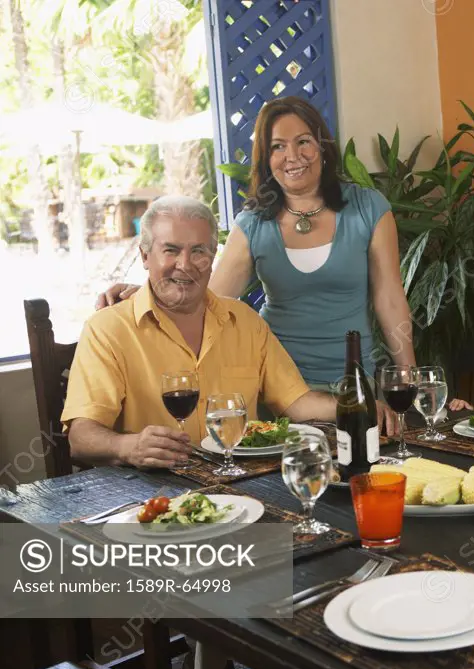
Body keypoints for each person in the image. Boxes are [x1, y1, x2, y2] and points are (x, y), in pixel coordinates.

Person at [97, 96, 412, 431]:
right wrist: (150, 292)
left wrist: (409, 383)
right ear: (266, 159)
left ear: (322, 146)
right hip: (278, 393)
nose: (293, 156)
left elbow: (390, 299)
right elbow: (209, 299)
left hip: (354, 385)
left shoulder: (368, 208)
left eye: (303, 141)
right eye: (277, 146)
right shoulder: (253, 224)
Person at [63, 196, 343, 468]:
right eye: (171, 250)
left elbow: (297, 403)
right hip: (154, 495)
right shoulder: (108, 329)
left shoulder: (245, 321)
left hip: (242, 483)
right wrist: (128, 447)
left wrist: (355, 406)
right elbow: (81, 437)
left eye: (198, 251)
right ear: (145, 256)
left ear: (212, 257)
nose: (185, 264)